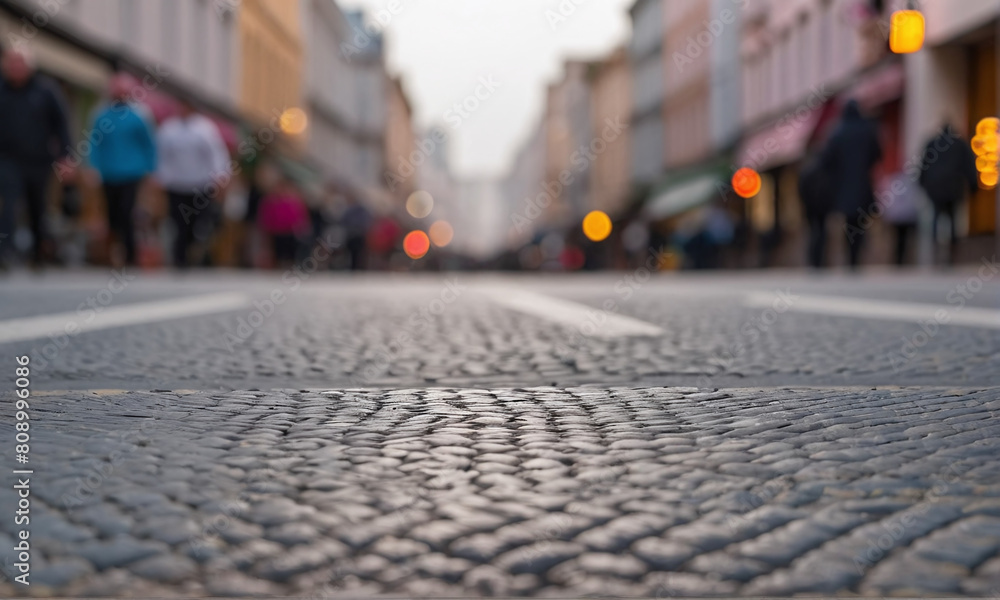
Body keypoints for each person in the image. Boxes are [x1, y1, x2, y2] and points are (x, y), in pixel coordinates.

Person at [0, 45, 73, 268]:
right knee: (9, 204)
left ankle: (38, 252)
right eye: (11, 62)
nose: (16, 67)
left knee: (37, 207)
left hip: (39, 160)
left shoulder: (46, 90)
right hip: (7, 158)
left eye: (20, 62)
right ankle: (5, 252)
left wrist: (66, 157)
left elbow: (61, 124)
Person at [88, 73, 158, 267]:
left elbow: (149, 144)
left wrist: (151, 169)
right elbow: (94, 143)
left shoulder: (140, 115)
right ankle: (111, 253)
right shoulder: (101, 114)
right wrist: (92, 167)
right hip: (108, 172)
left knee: (127, 212)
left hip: (132, 172)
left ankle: (130, 254)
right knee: (112, 214)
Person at [155, 101, 231, 268]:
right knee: (178, 222)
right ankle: (179, 257)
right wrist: (160, 177)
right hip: (176, 185)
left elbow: (216, 154)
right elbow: (162, 156)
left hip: (200, 184)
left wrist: (220, 176)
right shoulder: (169, 128)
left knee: (198, 221)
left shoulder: (205, 128)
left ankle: (193, 249)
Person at [821, 99, 882, 269]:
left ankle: (850, 257)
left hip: (843, 188)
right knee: (860, 223)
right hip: (862, 184)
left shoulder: (837, 132)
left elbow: (826, 161)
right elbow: (877, 154)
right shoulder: (867, 130)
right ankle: (856, 256)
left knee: (848, 223)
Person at [918, 123, 977, 265]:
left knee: (936, 219)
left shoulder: (933, 143)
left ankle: (935, 251)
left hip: (936, 188)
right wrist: (974, 186)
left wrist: (922, 184)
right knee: (953, 221)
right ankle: (951, 255)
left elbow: (923, 165)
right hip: (953, 188)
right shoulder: (960, 144)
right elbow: (969, 165)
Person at [258, 177, 309, 268]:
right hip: (276, 232)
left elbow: (300, 216)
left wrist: (302, 227)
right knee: (277, 253)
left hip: (290, 232)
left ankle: (289, 268)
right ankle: (278, 268)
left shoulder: (294, 201)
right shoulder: (271, 201)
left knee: (290, 254)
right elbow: (266, 217)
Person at [798, 152, 835, 269]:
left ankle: (814, 260)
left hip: (811, 208)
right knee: (821, 233)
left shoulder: (807, 171)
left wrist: (805, 203)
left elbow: (801, 189)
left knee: (814, 233)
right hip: (822, 208)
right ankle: (819, 260)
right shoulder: (826, 172)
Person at [878, 172, 920, 266]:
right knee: (898, 237)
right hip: (897, 212)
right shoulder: (891, 176)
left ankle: (901, 260)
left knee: (902, 238)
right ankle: (897, 260)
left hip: (903, 211)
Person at [341, 193, 372, 271]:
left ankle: (355, 268)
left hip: (354, 236)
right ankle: (357, 268)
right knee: (357, 254)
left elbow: (344, 221)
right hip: (356, 236)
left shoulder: (350, 210)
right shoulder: (361, 210)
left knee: (355, 254)